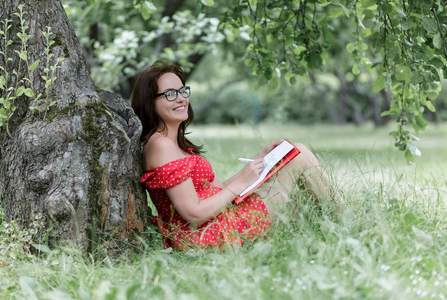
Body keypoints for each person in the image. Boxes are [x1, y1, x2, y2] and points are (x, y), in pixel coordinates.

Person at [131, 60, 339, 250]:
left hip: (217, 223)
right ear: (151, 102)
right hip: (209, 234)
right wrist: (239, 185)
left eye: (183, 91)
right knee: (300, 155)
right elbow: (193, 214)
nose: (181, 98)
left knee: (299, 196)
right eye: (170, 94)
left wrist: (259, 162)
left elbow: (217, 191)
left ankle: (331, 231)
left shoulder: (173, 144)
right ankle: (343, 222)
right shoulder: (160, 145)